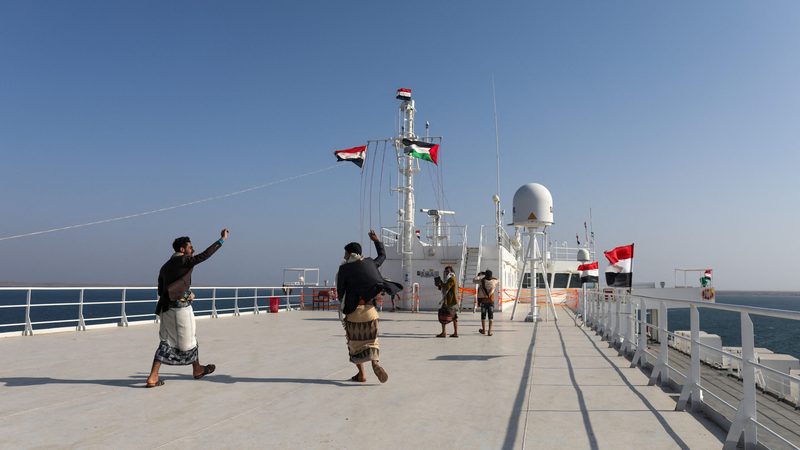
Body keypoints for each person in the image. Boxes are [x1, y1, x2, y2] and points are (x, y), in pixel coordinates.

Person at [144, 228, 229, 388]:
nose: (193, 250)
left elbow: (161, 288)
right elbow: (204, 255)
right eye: (190, 247)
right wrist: (221, 240)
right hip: (180, 309)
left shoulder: (165, 266)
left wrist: (182, 290)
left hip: (165, 308)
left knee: (166, 341)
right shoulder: (183, 260)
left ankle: (156, 376)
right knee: (190, 340)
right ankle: (194, 370)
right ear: (182, 250)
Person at [337, 230, 402, 383]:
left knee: (353, 344)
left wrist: (344, 306)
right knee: (372, 341)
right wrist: (376, 240)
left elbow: (341, 293)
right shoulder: (370, 263)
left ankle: (361, 374)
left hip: (354, 313)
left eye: (345, 253)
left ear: (350, 253)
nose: (344, 256)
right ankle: (375, 363)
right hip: (371, 312)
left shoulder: (344, 269)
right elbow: (382, 256)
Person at [435, 266, 459, 337]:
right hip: (450, 300)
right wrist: (439, 285)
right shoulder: (449, 279)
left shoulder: (451, 279)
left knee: (443, 315)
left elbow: (446, 287)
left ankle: (444, 332)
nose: (446, 273)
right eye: (445, 271)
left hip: (450, 301)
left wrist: (441, 282)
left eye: (448, 271)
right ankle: (455, 333)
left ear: (451, 271)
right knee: (454, 317)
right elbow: (444, 288)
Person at [473, 269, 498, 336]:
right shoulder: (494, 281)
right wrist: (490, 276)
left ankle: (484, 330)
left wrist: (479, 275)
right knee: (491, 316)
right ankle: (489, 331)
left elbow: (474, 280)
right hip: (491, 301)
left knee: (483, 316)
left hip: (483, 301)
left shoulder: (482, 281)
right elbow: (497, 279)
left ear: (485, 275)